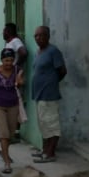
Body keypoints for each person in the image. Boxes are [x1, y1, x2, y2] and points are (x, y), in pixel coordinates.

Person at [31, 26, 67, 163]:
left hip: (49, 95)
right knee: (43, 124)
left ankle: (51, 153)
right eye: (36, 36)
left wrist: (51, 82)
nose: (38, 38)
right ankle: (45, 151)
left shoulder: (53, 51)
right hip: (39, 95)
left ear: (48, 36)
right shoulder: (38, 52)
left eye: (41, 35)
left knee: (52, 125)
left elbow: (62, 71)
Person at [0, 23, 28, 143]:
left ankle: (12, 134)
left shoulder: (15, 41)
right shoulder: (10, 43)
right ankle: (5, 134)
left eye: (4, 31)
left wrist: (16, 67)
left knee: (13, 105)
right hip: (5, 77)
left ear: (9, 31)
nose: (3, 33)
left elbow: (24, 53)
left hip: (12, 78)